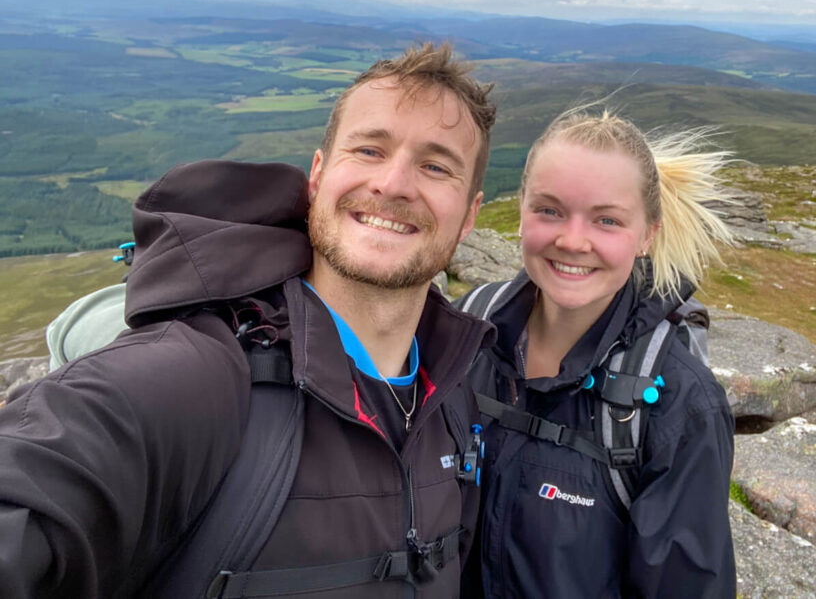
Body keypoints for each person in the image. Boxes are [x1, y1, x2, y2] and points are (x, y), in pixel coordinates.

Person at [0, 42, 497, 599]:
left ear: (470, 216)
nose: (395, 183)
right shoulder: (194, 379)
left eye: (435, 166)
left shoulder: (454, 397)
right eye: (368, 151)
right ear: (317, 176)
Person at [460, 108, 736, 598]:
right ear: (520, 207)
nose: (572, 240)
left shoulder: (678, 404)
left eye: (607, 220)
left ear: (648, 233)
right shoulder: (467, 332)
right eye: (549, 210)